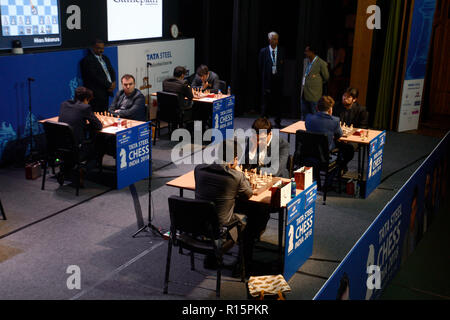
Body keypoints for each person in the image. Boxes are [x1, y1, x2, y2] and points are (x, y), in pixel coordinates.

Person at [305, 96, 354, 174]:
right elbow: (339, 135)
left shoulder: (308, 118)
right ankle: (340, 167)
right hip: (325, 155)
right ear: (330, 110)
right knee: (349, 148)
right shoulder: (335, 120)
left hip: (309, 153)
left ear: (317, 108)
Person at [80, 39, 116, 113]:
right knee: (97, 114)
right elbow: (95, 77)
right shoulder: (87, 60)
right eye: (98, 48)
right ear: (93, 48)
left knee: (105, 113)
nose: (101, 50)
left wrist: (114, 82)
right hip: (96, 94)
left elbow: (111, 71)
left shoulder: (105, 58)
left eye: (102, 48)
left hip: (106, 92)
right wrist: (109, 85)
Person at [258, 31, 285, 128]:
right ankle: (263, 123)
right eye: (273, 39)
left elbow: (283, 66)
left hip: (278, 81)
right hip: (267, 81)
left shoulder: (281, 51)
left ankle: (278, 122)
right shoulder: (263, 51)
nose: (275, 41)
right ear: (269, 40)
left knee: (278, 102)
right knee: (265, 103)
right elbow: (260, 67)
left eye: (276, 39)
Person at [301, 46, 330, 120]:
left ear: (312, 52)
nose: (305, 53)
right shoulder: (305, 61)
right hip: (304, 92)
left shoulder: (321, 63)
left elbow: (326, 77)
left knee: (314, 113)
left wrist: (317, 81)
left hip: (314, 94)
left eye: (307, 51)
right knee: (304, 114)